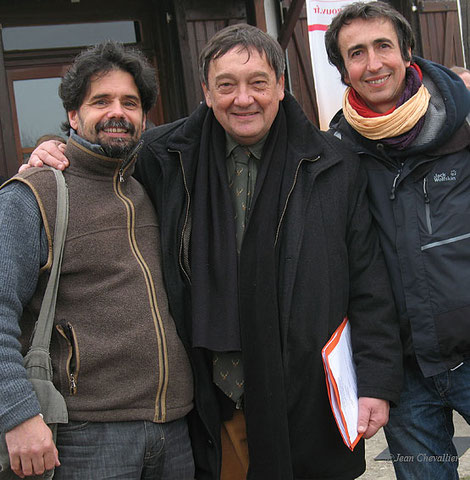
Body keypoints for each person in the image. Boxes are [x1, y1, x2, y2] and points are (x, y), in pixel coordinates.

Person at [28, 24, 402, 480]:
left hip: (307, 396)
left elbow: (369, 284)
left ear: (281, 86)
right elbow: (102, 149)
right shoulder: (163, 156)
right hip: (208, 403)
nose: (242, 99)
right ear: (206, 91)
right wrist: (54, 147)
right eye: (226, 85)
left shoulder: (334, 165)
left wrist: (377, 383)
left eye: (258, 83)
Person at [0, 41, 195, 479]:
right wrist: (16, 414)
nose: (117, 112)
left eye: (130, 102)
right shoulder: (34, 194)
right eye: (100, 100)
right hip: (86, 437)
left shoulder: (150, 185)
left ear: (145, 117)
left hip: (174, 431)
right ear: (73, 115)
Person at [325, 2, 470, 479]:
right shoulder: (338, 156)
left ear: (407, 51)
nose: (373, 63)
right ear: (343, 70)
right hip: (405, 374)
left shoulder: (464, 126)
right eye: (357, 53)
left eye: (383, 46)